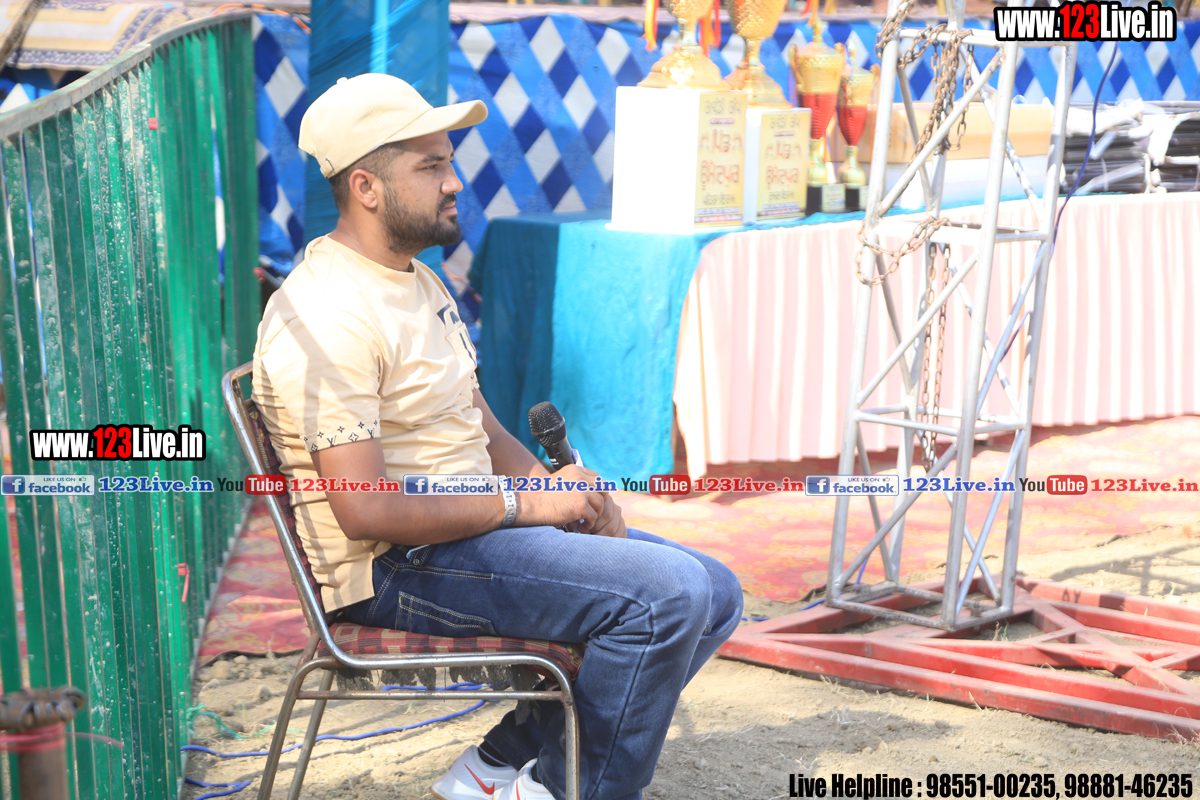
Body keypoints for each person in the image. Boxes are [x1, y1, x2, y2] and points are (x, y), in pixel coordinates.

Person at [252, 73, 743, 800]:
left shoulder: (417, 279)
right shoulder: (327, 313)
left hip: (465, 534)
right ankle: (565, 789)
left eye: (449, 163)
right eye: (431, 167)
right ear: (366, 187)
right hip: (396, 566)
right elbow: (366, 509)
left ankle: (498, 769)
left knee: (717, 591)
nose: (455, 183)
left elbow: (478, 423)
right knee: (664, 596)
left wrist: (564, 496)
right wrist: (527, 506)